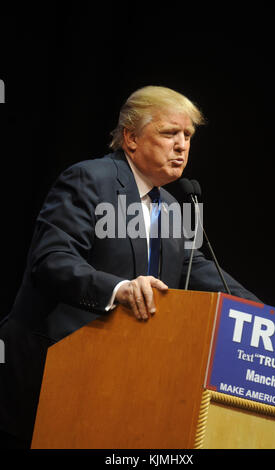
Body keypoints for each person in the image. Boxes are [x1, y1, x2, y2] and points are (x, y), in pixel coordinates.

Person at [0, 85, 260, 448]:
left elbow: (197, 267)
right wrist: (118, 289)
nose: (182, 145)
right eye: (170, 133)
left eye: (187, 135)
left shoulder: (169, 205)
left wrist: (265, 317)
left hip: (120, 377)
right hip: (51, 369)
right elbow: (52, 261)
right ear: (131, 138)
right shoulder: (89, 180)